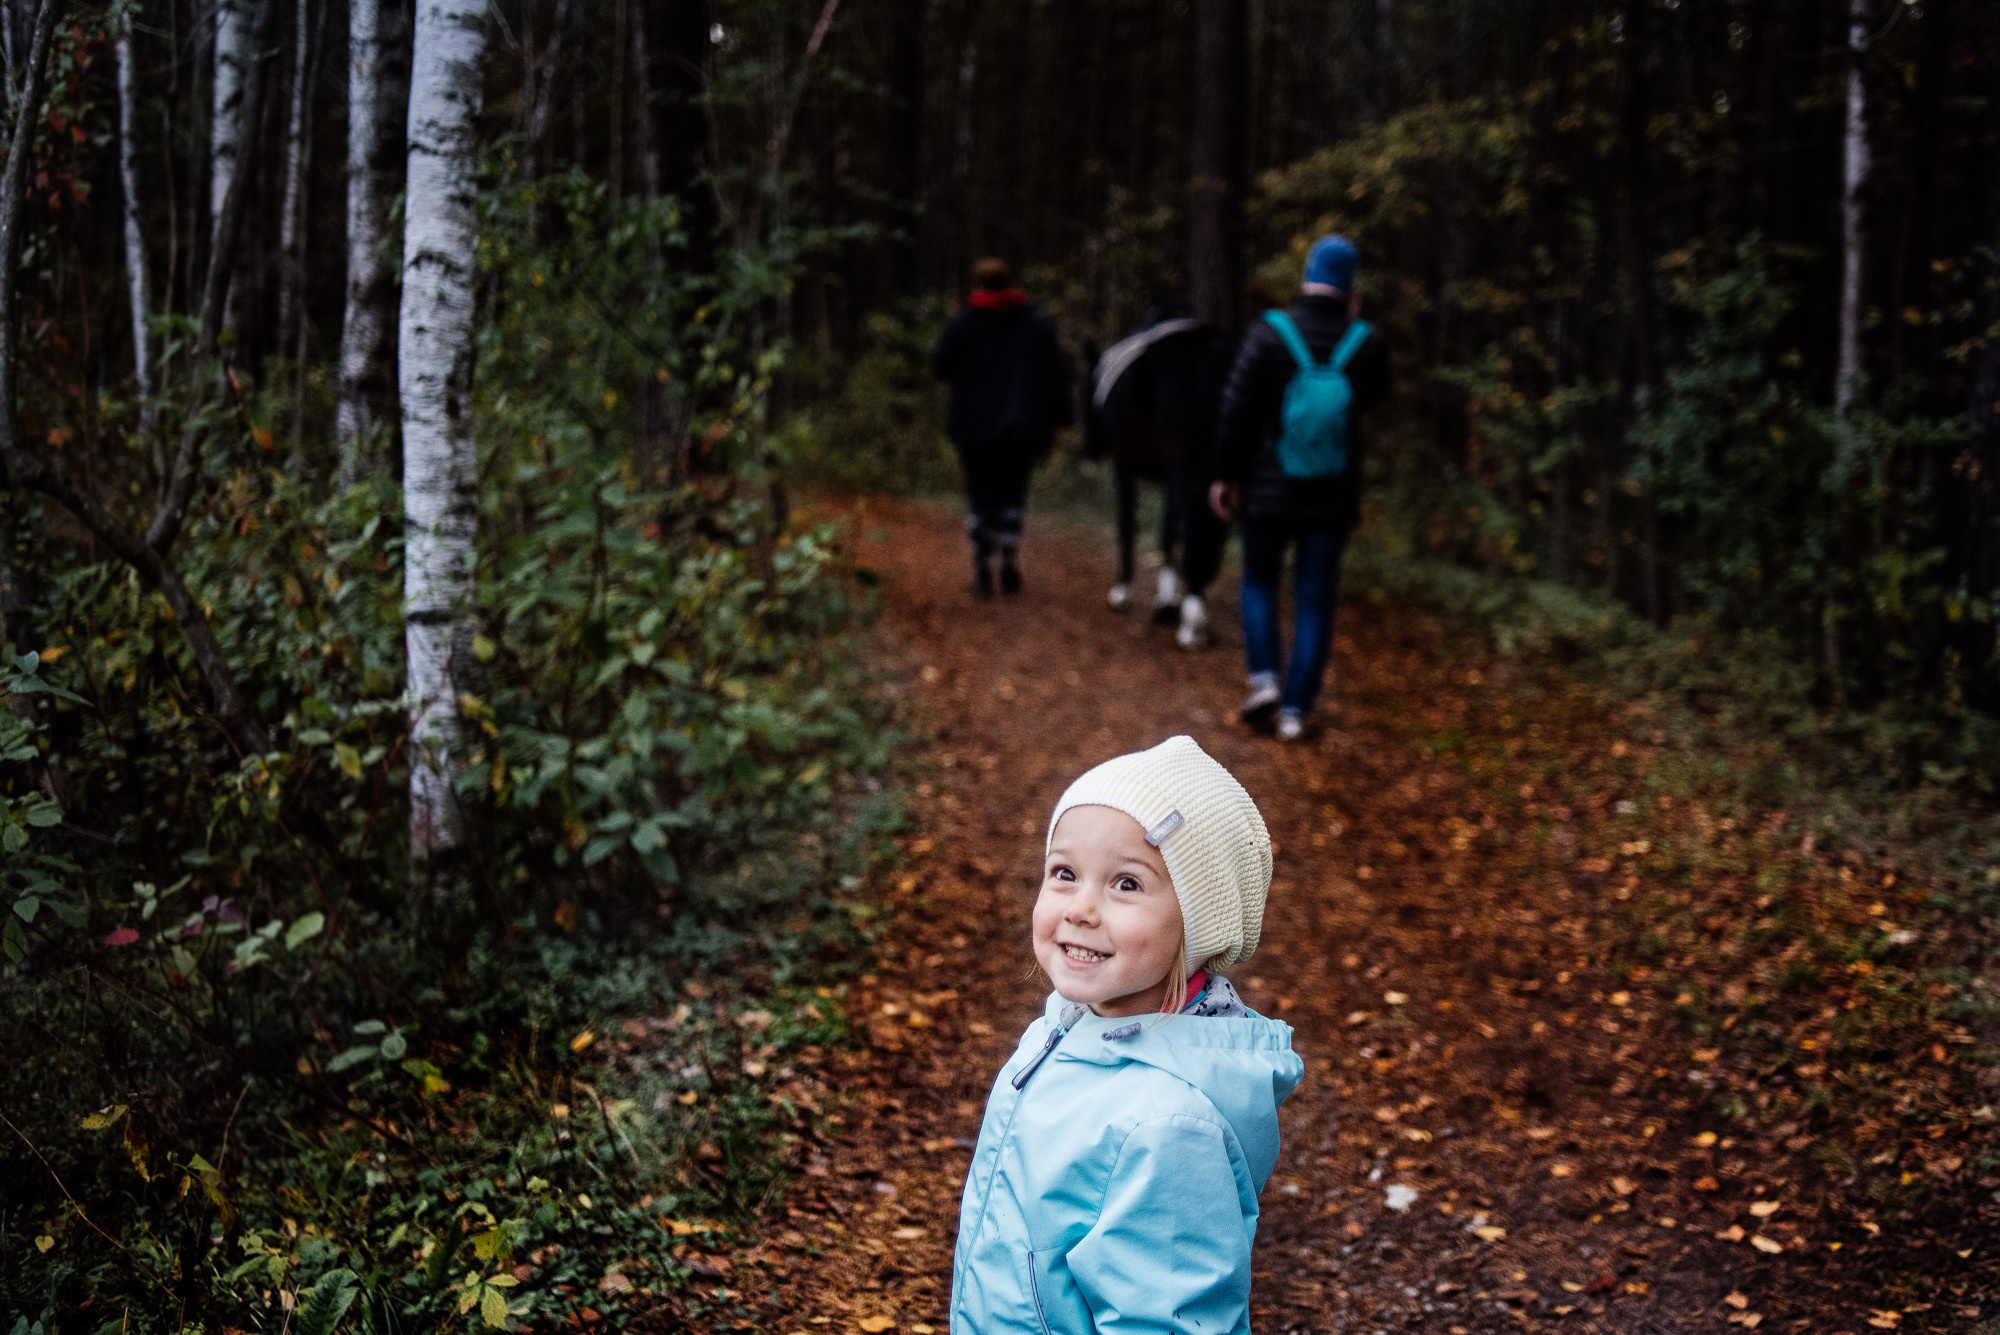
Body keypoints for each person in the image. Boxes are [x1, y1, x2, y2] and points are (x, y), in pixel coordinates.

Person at [950, 735, 1302, 1335]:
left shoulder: (1169, 1124)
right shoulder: (1070, 1025)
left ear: (1197, 924)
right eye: (1065, 873)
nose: (1081, 908)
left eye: (1127, 884)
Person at [1209, 234, 1390, 741]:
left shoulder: (1269, 334)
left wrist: (1224, 475)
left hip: (1268, 493)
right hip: (1331, 500)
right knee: (1314, 601)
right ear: (1350, 288)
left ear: (1308, 276)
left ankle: (1265, 679)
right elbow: (1372, 399)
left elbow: (1235, 410)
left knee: (1259, 583)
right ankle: (1294, 712)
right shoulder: (1366, 343)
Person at [932, 257, 1073, 598]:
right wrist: (1061, 417)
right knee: (1013, 492)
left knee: (981, 497)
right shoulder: (1035, 322)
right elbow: (1056, 374)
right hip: (1021, 427)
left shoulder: (963, 322)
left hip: (974, 427)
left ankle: (983, 571)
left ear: (977, 284)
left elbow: (940, 366)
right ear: (1008, 282)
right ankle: (1008, 557)